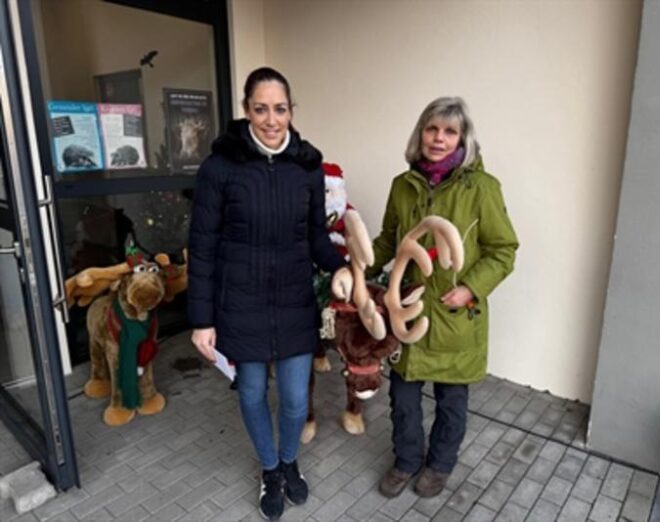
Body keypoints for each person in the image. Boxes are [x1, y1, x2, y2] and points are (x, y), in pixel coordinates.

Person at [187, 66, 352, 521]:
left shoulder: (307, 167)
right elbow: (201, 248)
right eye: (261, 109)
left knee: (297, 399)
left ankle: (289, 459)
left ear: (291, 111)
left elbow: (317, 237)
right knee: (252, 393)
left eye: (280, 109)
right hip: (240, 302)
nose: (271, 119)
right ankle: (270, 469)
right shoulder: (220, 169)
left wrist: (339, 267)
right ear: (246, 111)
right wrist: (202, 320)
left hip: (295, 301)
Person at [367, 96, 519, 498]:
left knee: (451, 400)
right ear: (420, 133)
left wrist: (470, 288)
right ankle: (407, 460)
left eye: (449, 131)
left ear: (463, 138)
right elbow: (388, 240)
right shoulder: (403, 185)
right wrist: (358, 270)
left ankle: (440, 465)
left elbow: (504, 250)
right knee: (402, 398)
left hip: (456, 314)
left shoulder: (482, 188)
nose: (438, 138)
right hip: (410, 312)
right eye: (432, 128)